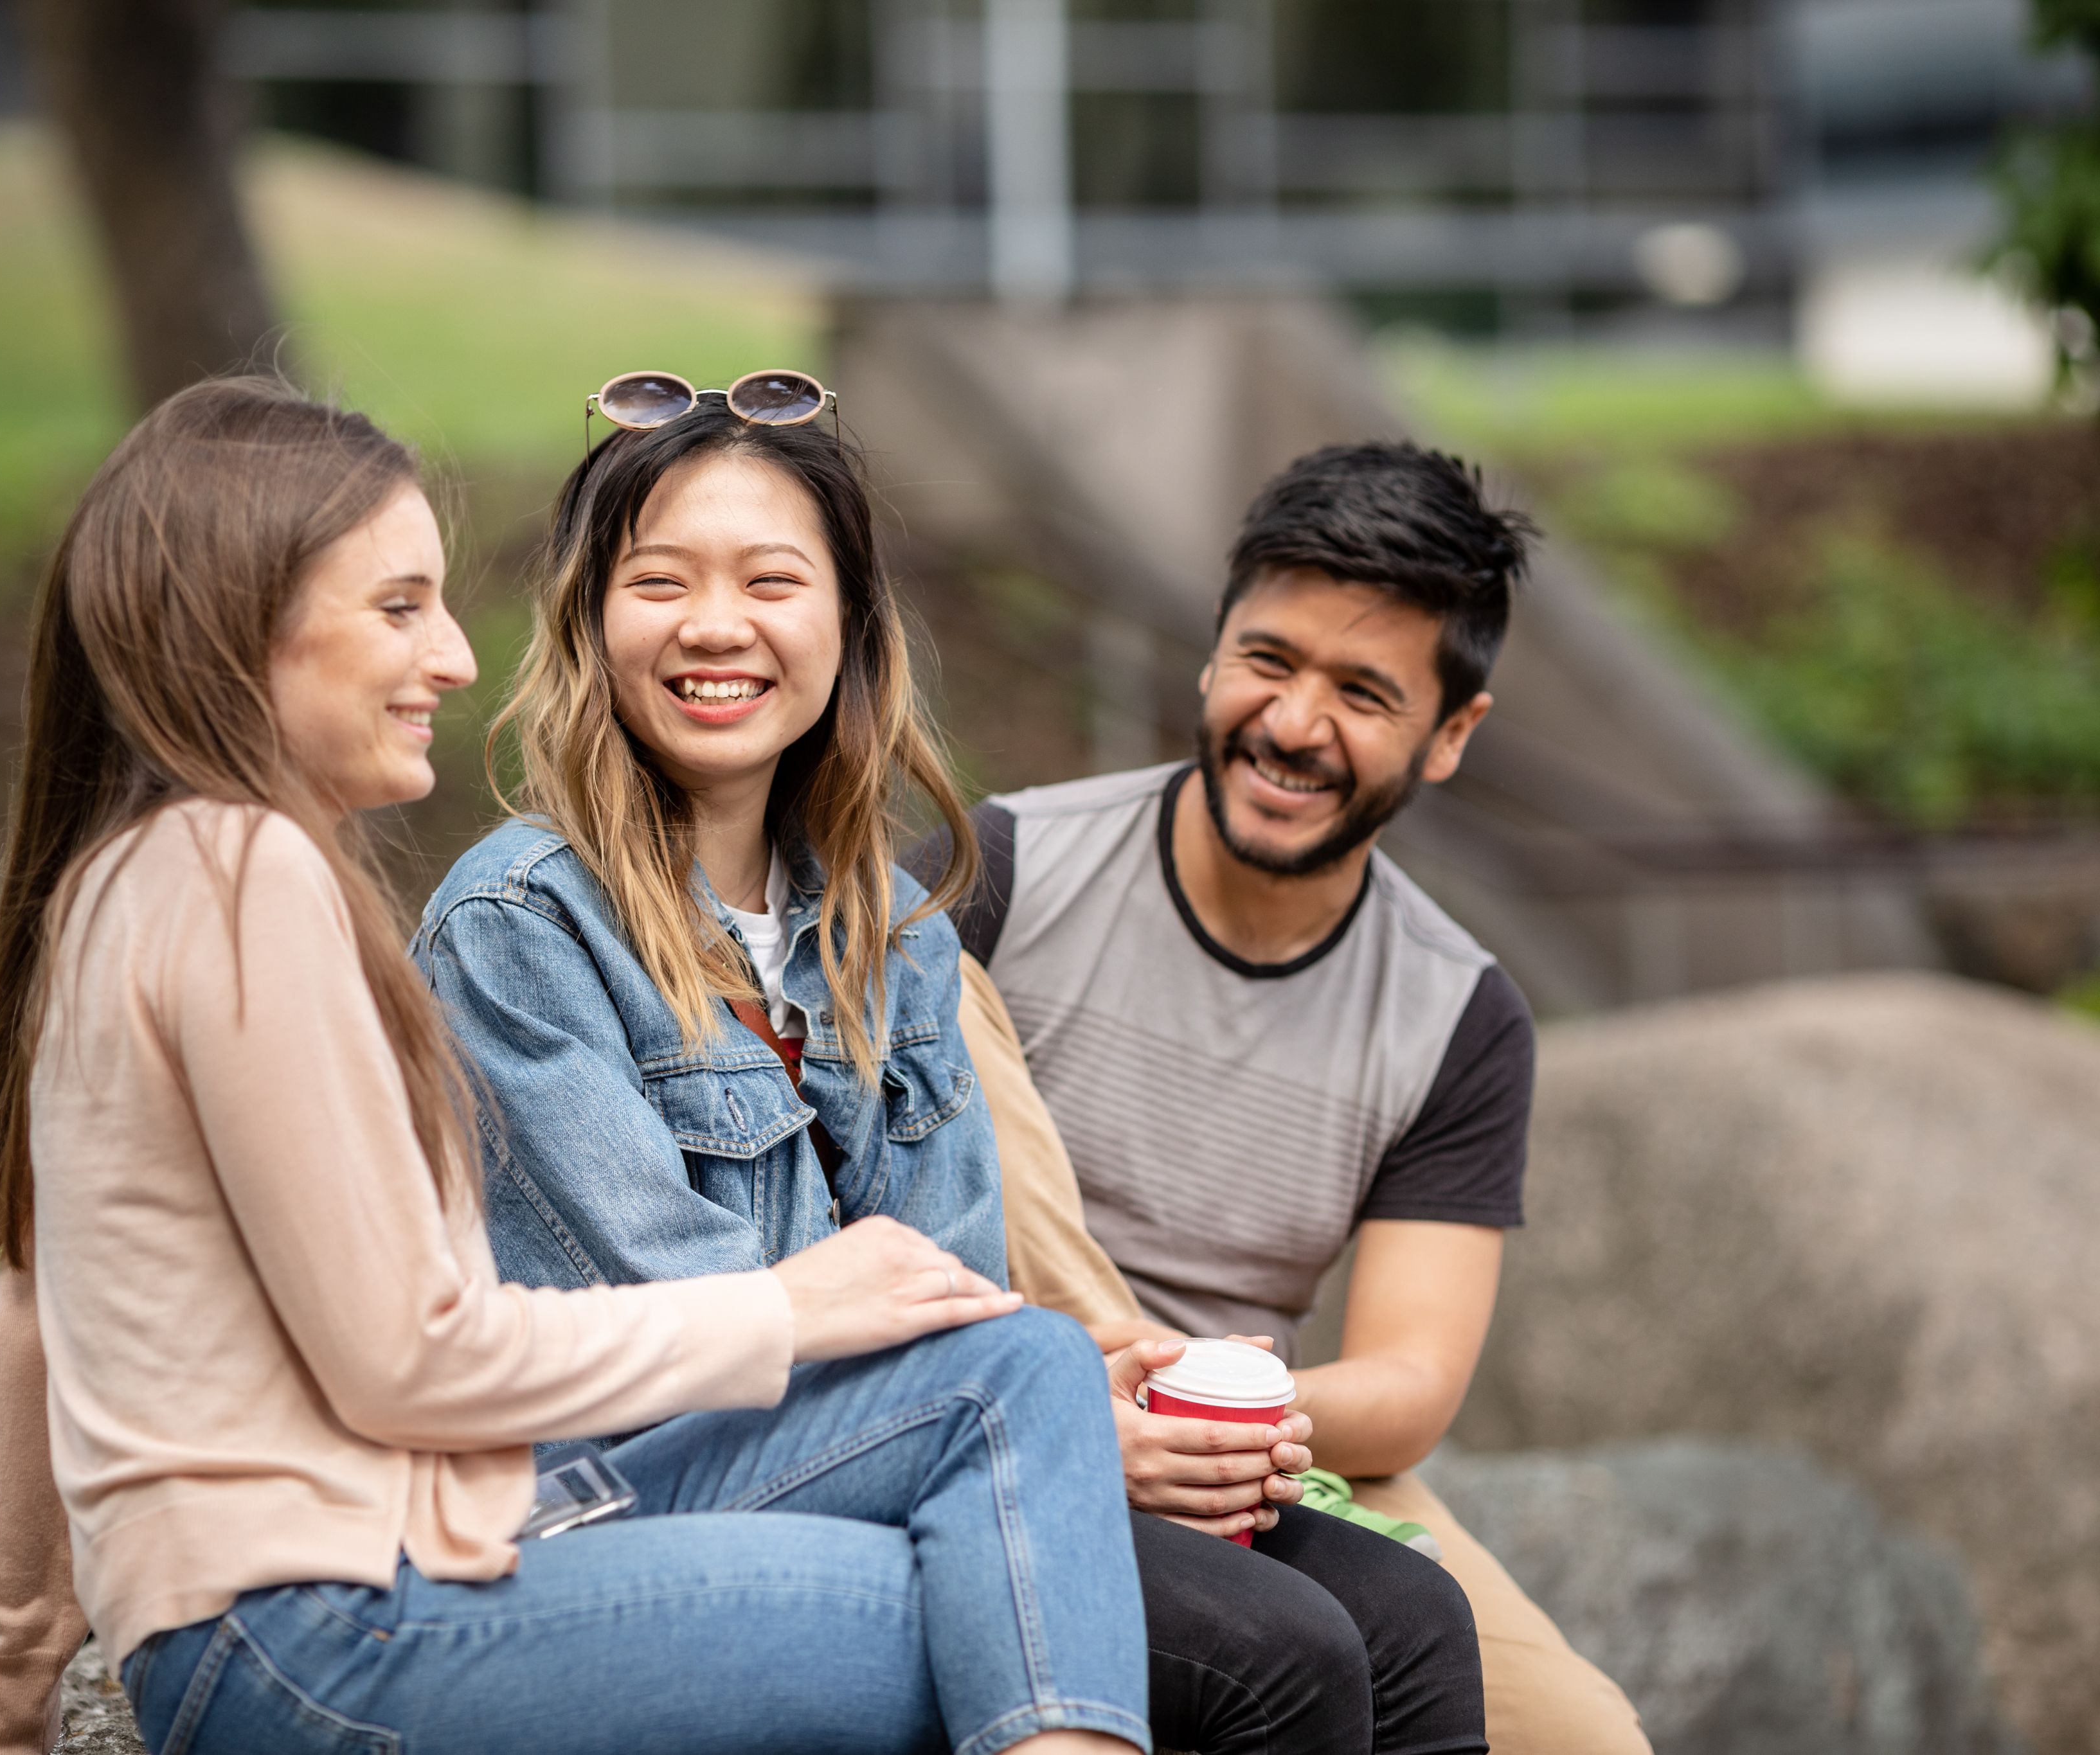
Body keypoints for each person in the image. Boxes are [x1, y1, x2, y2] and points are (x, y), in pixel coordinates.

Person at [0, 376, 1154, 1755]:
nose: (450, 654)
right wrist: (787, 1308)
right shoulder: (243, 876)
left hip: (274, 1629)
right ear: (240, 619)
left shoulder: (131, 877)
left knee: (1013, 1450)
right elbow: (408, 1356)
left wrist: (2, 1718)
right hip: (323, 1631)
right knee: (998, 1594)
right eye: (398, 607)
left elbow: (35, 1309)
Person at [417, 377, 1487, 1755]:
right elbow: (676, 1327)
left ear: (848, 629)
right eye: (659, 581)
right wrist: (1046, 1430)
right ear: (590, 622)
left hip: (916, 1442)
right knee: (1273, 1656)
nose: (713, 624)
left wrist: (1093, 1420)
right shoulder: (518, 926)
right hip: (652, 1492)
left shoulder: (890, 937)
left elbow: (954, 1283)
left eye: (770, 579)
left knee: (1405, 1615)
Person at [919, 441, 1654, 1755]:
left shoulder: (1455, 1012)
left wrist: (1231, 1419)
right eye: (1268, 661)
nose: (1293, 723)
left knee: (1585, 1739)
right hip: (1002, 1386)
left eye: (1362, 691)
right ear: (1209, 657)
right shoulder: (1003, 869)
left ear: (1448, 735)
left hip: (1272, 1442)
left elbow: (1410, 1381)